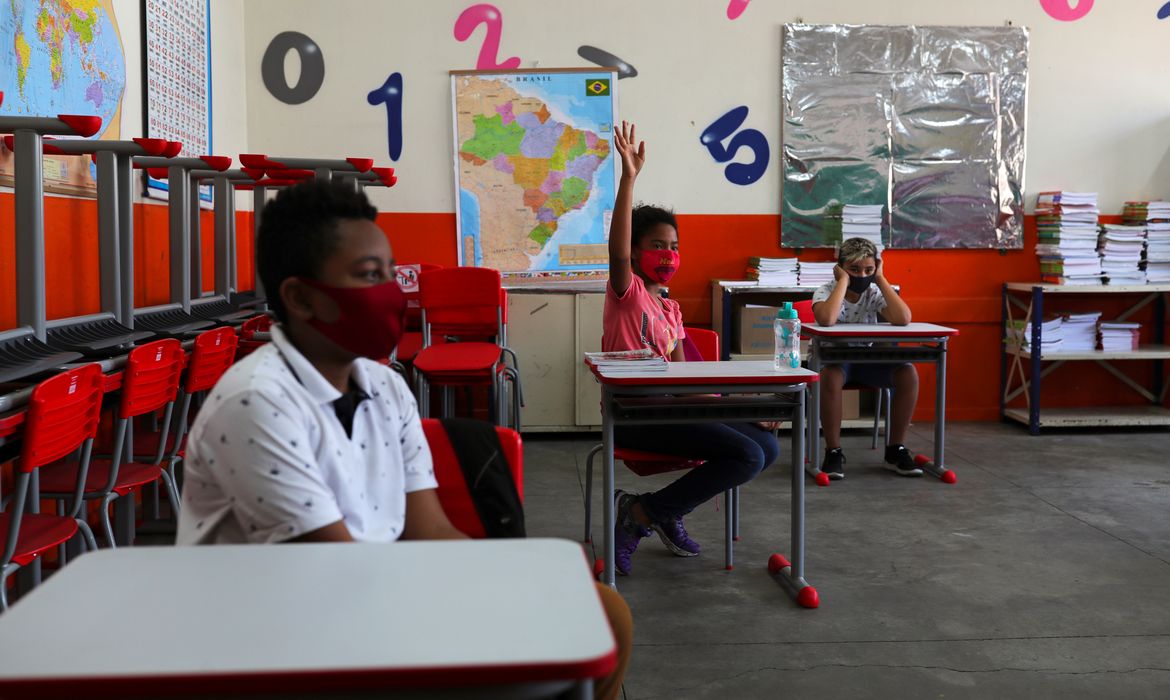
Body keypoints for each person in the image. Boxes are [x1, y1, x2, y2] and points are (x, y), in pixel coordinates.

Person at [176, 180, 630, 700]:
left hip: (369, 602)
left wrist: (519, 576)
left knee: (602, 614)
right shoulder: (256, 405)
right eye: (370, 276)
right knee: (552, 663)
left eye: (392, 274)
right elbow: (338, 572)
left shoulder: (385, 386)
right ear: (301, 297)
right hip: (285, 642)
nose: (392, 293)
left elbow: (428, 528)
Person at [602, 121, 780, 575]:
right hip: (636, 415)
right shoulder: (628, 293)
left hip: (673, 410)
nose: (668, 254)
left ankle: (660, 509)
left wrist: (743, 408)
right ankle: (641, 516)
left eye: (674, 246)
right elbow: (619, 255)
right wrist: (629, 178)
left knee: (767, 445)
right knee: (748, 454)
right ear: (637, 252)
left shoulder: (672, 310)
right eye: (656, 245)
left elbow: (686, 383)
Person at [811, 236, 922, 480]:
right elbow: (827, 319)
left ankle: (895, 450)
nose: (862, 276)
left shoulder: (873, 292)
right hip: (835, 361)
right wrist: (843, 282)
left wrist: (880, 279)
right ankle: (833, 451)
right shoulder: (826, 291)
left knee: (907, 373)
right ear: (840, 268)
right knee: (829, 377)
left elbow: (903, 318)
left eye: (868, 270)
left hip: (867, 359)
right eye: (854, 270)